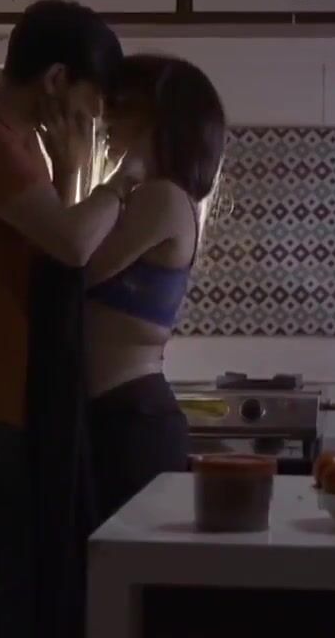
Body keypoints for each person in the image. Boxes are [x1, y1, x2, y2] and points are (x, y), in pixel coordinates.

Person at [0, 0, 138, 638]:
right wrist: (122, 180)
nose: (95, 118)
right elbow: (71, 243)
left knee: (33, 601)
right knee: (13, 605)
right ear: (57, 79)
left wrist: (69, 172)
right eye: (95, 101)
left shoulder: (20, 144)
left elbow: (50, 258)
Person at [85, 54, 227, 522]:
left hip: (128, 419)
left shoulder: (160, 196)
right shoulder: (148, 198)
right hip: (117, 415)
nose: (107, 121)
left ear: (163, 124)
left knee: (114, 564)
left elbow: (70, 269)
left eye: (124, 107)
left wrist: (116, 175)